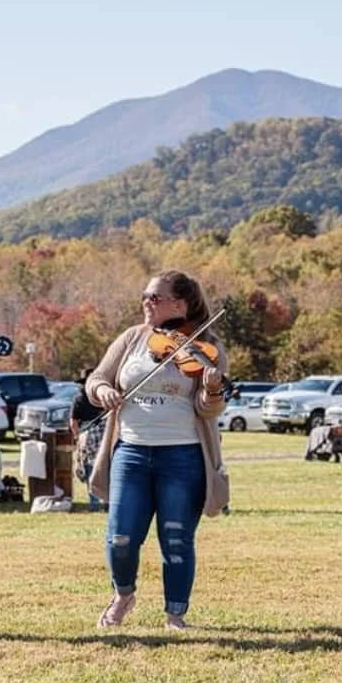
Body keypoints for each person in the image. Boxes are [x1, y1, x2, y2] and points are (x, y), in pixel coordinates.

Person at [85, 270, 230, 631]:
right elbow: (97, 379)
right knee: (121, 536)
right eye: (145, 295)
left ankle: (175, 614)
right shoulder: (133, 338)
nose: (145, 302)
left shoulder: (206, 345)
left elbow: (209, 410)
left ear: (180, 304)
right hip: (131, 451)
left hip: (182, 454)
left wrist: (212, 390)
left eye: (154, 297)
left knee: (177, 537)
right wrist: (103, 392)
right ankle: (123, 595)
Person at [69, 368, 104, 512]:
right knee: (106, 467)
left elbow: (73, 422)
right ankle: (107, 501)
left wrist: (77, 437)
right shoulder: (102, 394)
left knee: (90, 468)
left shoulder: (79, 397)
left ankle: (95, 503)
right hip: (105, 431)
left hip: (87, 434)